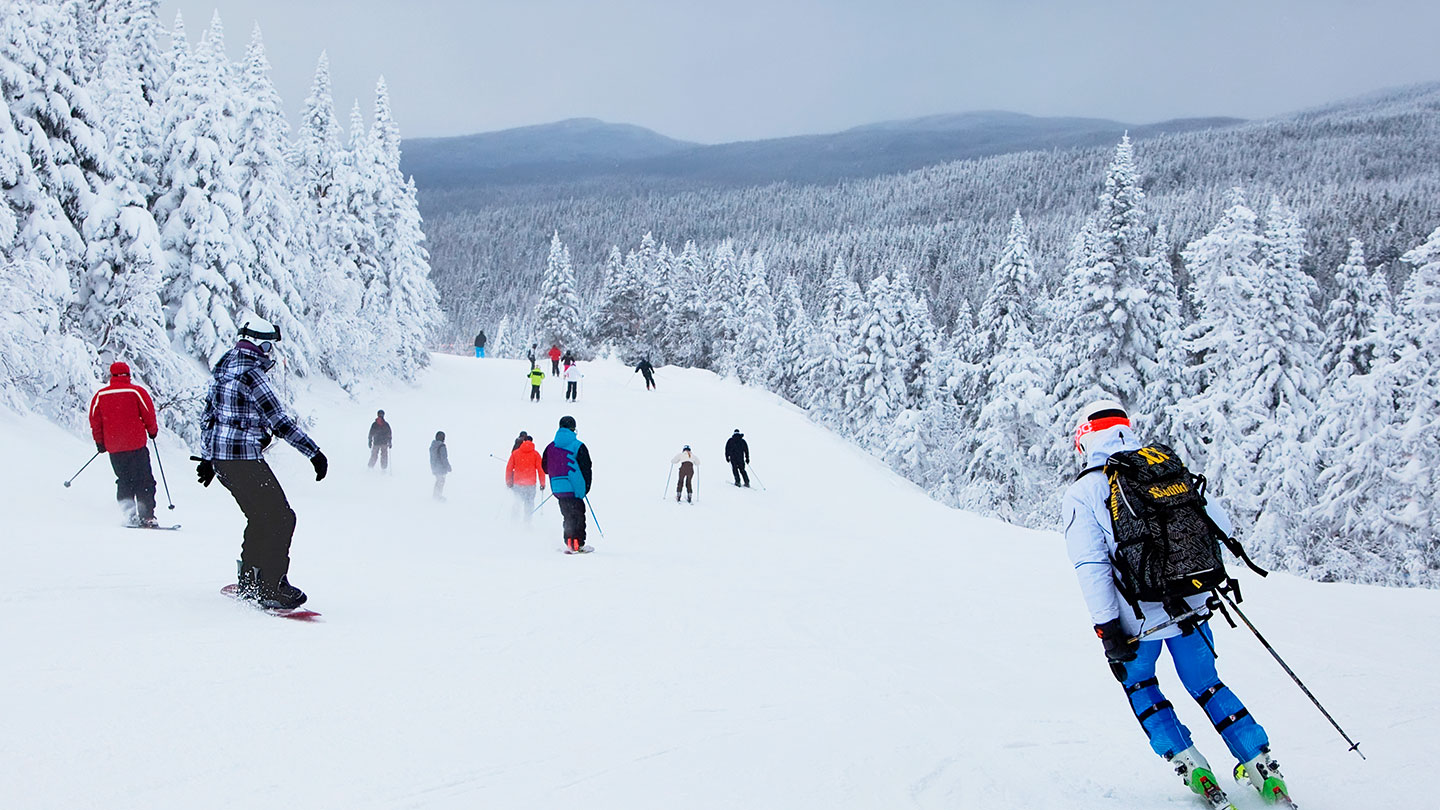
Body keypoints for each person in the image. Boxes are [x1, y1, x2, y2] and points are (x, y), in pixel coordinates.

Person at [1063, 399, 1288, 807]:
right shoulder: (1163, 469)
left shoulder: (1084, 491)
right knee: (1206, 683)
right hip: (1194, 604)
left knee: (1140, 683)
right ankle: (1259, 762)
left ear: (1083, 441)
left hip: (1137, 621)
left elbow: (1090, 566)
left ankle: (1190, 762)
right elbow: (1223, 526)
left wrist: (1107, 629)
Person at [196, 318, 327, 610]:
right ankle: (271, 587)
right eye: (271, 346)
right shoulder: (252, 374)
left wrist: (208, 458)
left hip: (224, 461)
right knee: (281, 517)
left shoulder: (224, 367)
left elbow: (208, 417)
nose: (272, 353)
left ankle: (251, 581)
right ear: (262, 345)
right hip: (243, 459)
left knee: (260, 516)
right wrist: (314, 453)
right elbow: (279, 420)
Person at [88, 361, 160, 527]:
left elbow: (95, 421)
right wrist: (152, 431)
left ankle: (129, 514)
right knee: (144, 480)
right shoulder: (136, 392)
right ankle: (147, 515)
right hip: (136, 445)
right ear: (128, 375)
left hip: (115, 447)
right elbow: (148, 413)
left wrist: (100, 442)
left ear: (111, 376)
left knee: (124, 480)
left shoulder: (100, 395)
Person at [542, 415, 592, 552]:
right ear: (573, 429)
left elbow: (544, 467)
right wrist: (585, 488)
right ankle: (578, 543)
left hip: (558, 488)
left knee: (568, 516)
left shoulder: (550, 447)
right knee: (578, 515)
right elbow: (586, 467)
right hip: (574, 487)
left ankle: (569, 541)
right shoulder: (578, 446)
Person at [505, 431, 545, 521]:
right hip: (530, 485)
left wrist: (508, 481)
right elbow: (541, 470)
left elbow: (509, 468)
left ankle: (514, 522)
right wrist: (542, 483)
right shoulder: (536, 454)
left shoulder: (515, 453)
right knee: (529, 504)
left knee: (517, 503)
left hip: (518, 483)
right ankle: (527, 522)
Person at [430, 431, 451, 501]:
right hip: (441, 468)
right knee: (441, 482)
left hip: (434, 467)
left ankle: (435, 495)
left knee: (438, 481)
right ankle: (437, 497)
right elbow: (444, 458)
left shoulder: (433, 446)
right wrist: (448, 467)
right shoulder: (442, 446)